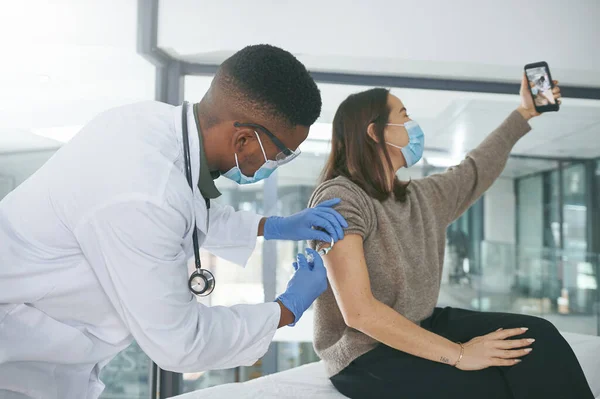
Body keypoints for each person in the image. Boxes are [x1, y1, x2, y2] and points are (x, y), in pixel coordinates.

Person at [0, 44, 348, 399]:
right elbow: (180, 343)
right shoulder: (142, 192)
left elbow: (186, 215)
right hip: (15, 359)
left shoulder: (152, 129)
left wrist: (275, 226)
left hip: (44, 351)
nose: (276, 163)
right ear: (244, 138)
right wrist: (287, 308)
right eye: (280, 155)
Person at [308, 76, 595, 398]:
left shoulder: (418, 198)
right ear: (374, 132)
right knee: (493, 385)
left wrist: (525, 112)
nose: (413, 125)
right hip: (363, 355)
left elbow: (475, 168)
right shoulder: (340, 198)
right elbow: (359, 312)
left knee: (534, 336)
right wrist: (460, 354)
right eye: (404, 116)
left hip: (420, 323)